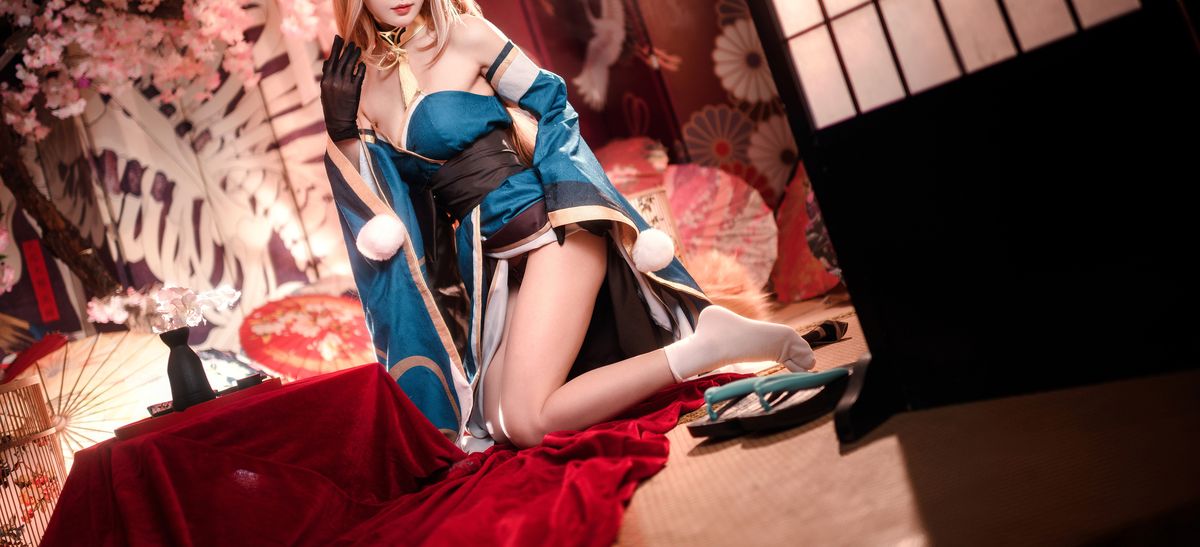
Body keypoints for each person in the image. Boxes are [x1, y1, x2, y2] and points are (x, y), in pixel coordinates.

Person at [320, 0, 815, 450]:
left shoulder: (466, 35)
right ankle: (703, 343)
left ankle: (704, 348)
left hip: (554, 233)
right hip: (494, 263)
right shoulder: (363, 86)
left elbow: (553, 105)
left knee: (530, 423)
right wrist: (343, 135)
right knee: (497, 424)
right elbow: (388, 202)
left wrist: (570, 196)